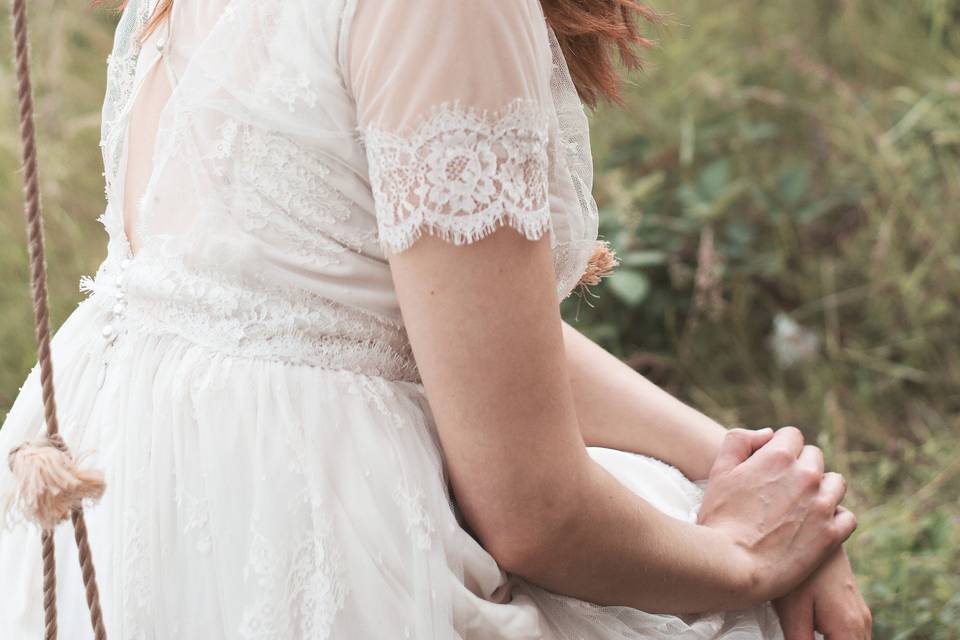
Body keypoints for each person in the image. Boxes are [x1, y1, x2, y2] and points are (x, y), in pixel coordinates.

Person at [0, 0, 872, 637]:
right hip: (310, 532)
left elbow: (374, 320)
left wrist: (740, 466)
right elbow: (536, 514)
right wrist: (749, 559)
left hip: (139, 498)